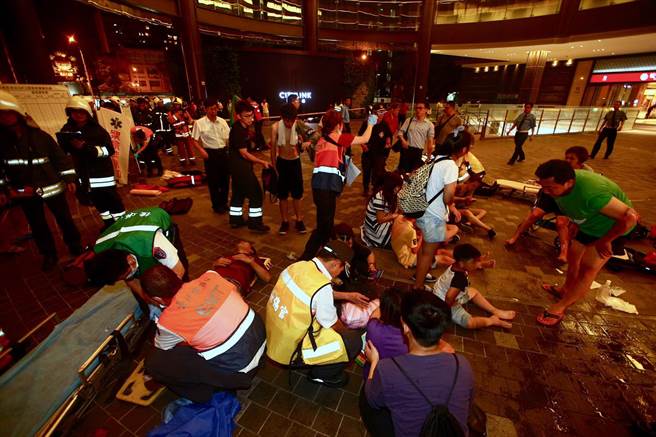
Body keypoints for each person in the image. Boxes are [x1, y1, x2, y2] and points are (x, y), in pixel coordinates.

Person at [534, 160, 637, 325]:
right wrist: (575, 222)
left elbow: (631, 218)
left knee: (587, 270)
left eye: (550, 188)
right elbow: (575, 206)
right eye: (542, 186)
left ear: (569, 183)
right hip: (588, 225)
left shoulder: (592, 193)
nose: (546, 192)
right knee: (573, 259)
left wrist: (606, 240)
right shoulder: (559, 187)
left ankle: (560, 307)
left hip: (610, 231)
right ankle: (565, 289)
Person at [140, 265, 265, 400]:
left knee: (154, 362)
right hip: (261, 339)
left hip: (241, 370)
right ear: (176, 276)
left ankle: (205, 394)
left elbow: (162, 348)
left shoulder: (168, 321)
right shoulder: (211, 276)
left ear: (157, 299)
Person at [361, 291, 473, 437]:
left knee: (365, 396)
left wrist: (374, 362)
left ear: (406, 327)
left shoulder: (387, 369)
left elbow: (372, 398)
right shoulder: (462, 364)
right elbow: (468, 403)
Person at [266, 241, 370, 387]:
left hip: (275, 333)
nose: (340, 273)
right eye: (341, 269)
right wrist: (348, 331)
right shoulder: (322, 286)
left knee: (334, 311)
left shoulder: (298, 266)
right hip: (291, 349)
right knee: (353, 341)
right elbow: (333, 324)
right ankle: (320, 375)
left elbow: (313, 294)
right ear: (335, 264)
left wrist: (348, 296)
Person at [0, 90, 82, 270]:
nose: (4, 117)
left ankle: (75, 246)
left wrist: (69, 178)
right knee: (38, 225)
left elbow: (60, 159)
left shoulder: (40, 137)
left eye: (7, 113)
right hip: (25, 193)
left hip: (52, 188)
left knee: (64, 219)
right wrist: (4, 189)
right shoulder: (2, 142)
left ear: (17, 113)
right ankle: (49, 254)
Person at [300, 109, 375, 260]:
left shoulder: (322, 139)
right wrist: (371, 123)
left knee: (325, 224)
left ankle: (320, 256)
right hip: (327, 188)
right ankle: (307, 258)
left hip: (319, 187)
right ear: (338, 124)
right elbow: (365, 138)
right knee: (324, 226)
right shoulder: (338, 138)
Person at [85, 207, 188, 307]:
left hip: (155, 221)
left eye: (126, 275)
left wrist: (169, 299)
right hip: (126, 232)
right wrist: (149, 300)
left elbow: (179, 269)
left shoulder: (153, 243)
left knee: (176, 283)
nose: (126, 278)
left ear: (130, 261)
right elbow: (131, 280)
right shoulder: (102, 250)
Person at [506, 148, 593, 263]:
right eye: (566, 157)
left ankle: (564, 252)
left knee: (561, 223)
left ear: (580, 161)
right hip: (550, 195)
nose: (568, 160)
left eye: (572, 158)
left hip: (567, 198)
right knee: (535, 214)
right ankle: (515, 236)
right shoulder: (560, 167)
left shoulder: (586, 173)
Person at [413, 130, 472, 290]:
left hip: (423, 210)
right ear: (463, 149)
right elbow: (447, 197)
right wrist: (452, 202)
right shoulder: (451, 166)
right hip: (434, 215)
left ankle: (418, 277)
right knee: (428, 253)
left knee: (424, 250)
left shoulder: (437, 158)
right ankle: (418, 287)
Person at [59, 96, 125, 227]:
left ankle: (123, 224)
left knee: (113, 201)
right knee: (98, 203)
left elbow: (109, 150)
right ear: (70, 113)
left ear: (87, 113)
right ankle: (109, 225)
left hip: (102, 175)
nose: (78, 115)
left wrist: (85, 147)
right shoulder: (66, 130)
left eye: (81, 111)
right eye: (75, 111)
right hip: (84, 175)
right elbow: (63, 153)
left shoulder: (97, 130)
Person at [433, 244, 515, 330]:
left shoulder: (457, 265)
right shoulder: (459, 279)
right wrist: (447, 310)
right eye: (475, 262)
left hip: (442, 291)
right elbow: (449, 297)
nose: (477, 264)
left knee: (474, 291)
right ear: (462, 263)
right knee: (470, 323)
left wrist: (482, 263)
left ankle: (495, 311)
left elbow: (471, 265)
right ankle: (492, 320)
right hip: (444, 303)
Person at [228, 100, 272, 233]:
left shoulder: (241, 127)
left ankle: (235, 220)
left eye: (251, 115)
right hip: (241, 167)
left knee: (238, 193)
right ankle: (255, 223)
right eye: (247, 116)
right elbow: (244, 154)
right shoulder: (238, 130)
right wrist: (262, 162)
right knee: (256, 194)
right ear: (238, 116)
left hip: (236, 167)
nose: (251, 119)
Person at [270, 104, 308, 235]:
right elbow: (273, 149)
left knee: (297, 194)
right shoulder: (275, 127)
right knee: (282, 195)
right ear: (282, 117)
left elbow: (312, 137)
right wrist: (274, 167)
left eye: (292, 120)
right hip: (282, 162)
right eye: (287, 121)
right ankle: (285, 221)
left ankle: (299, 220)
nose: (290, 123)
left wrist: (305, 143)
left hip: (295, 162)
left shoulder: (298, 125)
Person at [191, 98, 231, 214]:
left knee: (225, 179)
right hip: (210, 154)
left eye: (215, 109)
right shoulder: (199, 123)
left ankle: (224, 202)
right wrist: (201, 151)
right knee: (214, 181)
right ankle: (216, 205)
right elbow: (194, 140)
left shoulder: (222, 121)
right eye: (211, 109)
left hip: (223, 152)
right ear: (206, 109)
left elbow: (228, 137)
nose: (214, 111)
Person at [391, 215, 455, 271]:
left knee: (440, 251)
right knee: (443, 258)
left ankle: (458, 258)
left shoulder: (399, 218)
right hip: (409, 260)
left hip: (401, 252)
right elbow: (415, 250)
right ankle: (458, 266)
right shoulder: (411, 231)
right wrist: (422, 236)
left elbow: (405, 237)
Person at [359, 104, 394, 196]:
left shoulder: (384, 124)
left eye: (383, 112)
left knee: (377, 173)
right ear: (374, 113)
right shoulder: (367, 123)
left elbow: (388, 135)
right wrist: (363, 145)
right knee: (366, 172)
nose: (382, 115)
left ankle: (375, 189)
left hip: (379, 154)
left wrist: (388, 142)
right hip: (368, 153)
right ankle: (366, 189)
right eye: (380, 112)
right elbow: (360, 136)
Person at [361, 171, 402, 248]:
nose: (398, 189)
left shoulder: (387, 194)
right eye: (397, 187)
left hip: (377, 225)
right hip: (375, 231)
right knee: (401, 235)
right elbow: (380, 219)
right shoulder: (380, 197)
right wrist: (395, 215)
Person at [396, 102, 435, 173]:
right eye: (416, 108)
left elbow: (430, 141)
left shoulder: (430, 125)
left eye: (420, 108)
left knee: (414, 173)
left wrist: (429, 156)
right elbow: (400, 133)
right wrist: (403, 140)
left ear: (426, 110)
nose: (417, 110)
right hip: (407, 150)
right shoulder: (409, 120)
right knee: (403, 172)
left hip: (418, 152)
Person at [168, 97, 195, 166]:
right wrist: (177, 114)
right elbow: (171, 121)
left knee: (190, 147)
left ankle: (192, 160)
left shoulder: (184, 111)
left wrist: (190, 121)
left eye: (178, 104)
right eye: (175, 104)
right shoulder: (170, 112)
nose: (176, 106)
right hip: (178, 133)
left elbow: (190, 120)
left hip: (186, 132)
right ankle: (183, 161)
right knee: (181, 149)